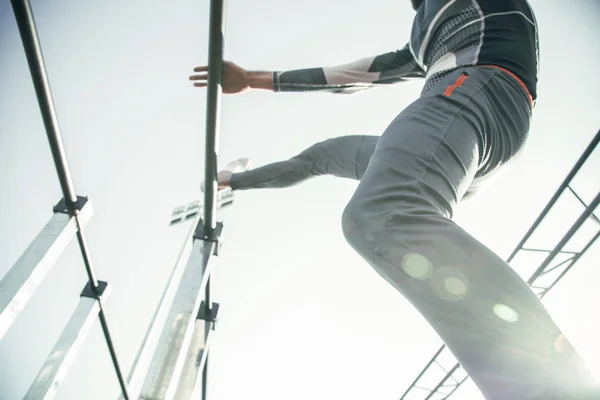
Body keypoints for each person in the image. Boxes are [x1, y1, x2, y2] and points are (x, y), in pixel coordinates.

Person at [190, 1, 599, 399]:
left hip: (475, 93)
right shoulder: (420, 38)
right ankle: (236, 180)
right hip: (469, 131)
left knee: (381, 217)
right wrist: (251, 80)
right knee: (325, 155)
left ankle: (557, 384)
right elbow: (347, 76)